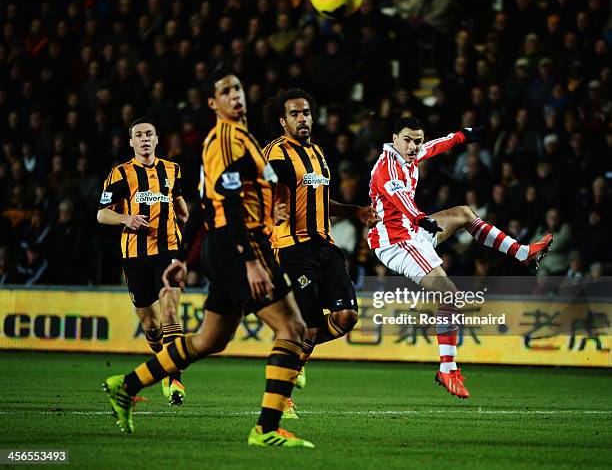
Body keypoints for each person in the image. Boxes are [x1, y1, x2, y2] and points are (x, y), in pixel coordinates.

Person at [102, 69, 314, 448]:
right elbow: (228, 200)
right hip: (240, 246)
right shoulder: (224, 140)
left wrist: (183, 256)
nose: (235, 95)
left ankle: (126, 385)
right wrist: (249, 259)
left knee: (210, 339)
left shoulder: (242, 140)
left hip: (231, 244)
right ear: (213, 104)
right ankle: (266, 429)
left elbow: (203, 203)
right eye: (225, 91)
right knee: (293, 330)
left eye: (238, 87)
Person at [368, 116, 553, 398]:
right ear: (394, 140)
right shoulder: (388, 168)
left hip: (413, 231)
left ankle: (523, 253)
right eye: (407, 140)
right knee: (450, 297)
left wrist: (462, 135)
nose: (414, 146)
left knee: (465, 213)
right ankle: (447, 368)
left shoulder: (410, 154)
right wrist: (420, 218)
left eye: (417, 140)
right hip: (397, 241)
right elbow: (401, 200)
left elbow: (435, 146)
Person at [262, 88, 380, 417]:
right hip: (292, 248)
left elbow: (318, 202)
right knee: (304, 328)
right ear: (283, 121)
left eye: (307, 113)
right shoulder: (275, 153)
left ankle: (295, 361)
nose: (303, 119)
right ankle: (281, 393)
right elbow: (269, 191)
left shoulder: (317, 153)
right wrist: (275, 209)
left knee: (346, 318)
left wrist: (355, 210)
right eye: (295, 114)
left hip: (325, 246)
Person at [97, 117, 189, 405]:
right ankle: (162, 361)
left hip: (168, 250)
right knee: (150, 324)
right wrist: (126, 218)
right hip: (135, 256)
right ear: (131, 142)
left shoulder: (173, 170)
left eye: (149, 134)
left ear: (157, 139)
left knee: (170, 312)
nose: (145, 138)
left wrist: (180, 233)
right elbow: (102, 214)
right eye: (139, 135)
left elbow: (183, 210)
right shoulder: (120, 174)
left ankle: (174, 378)